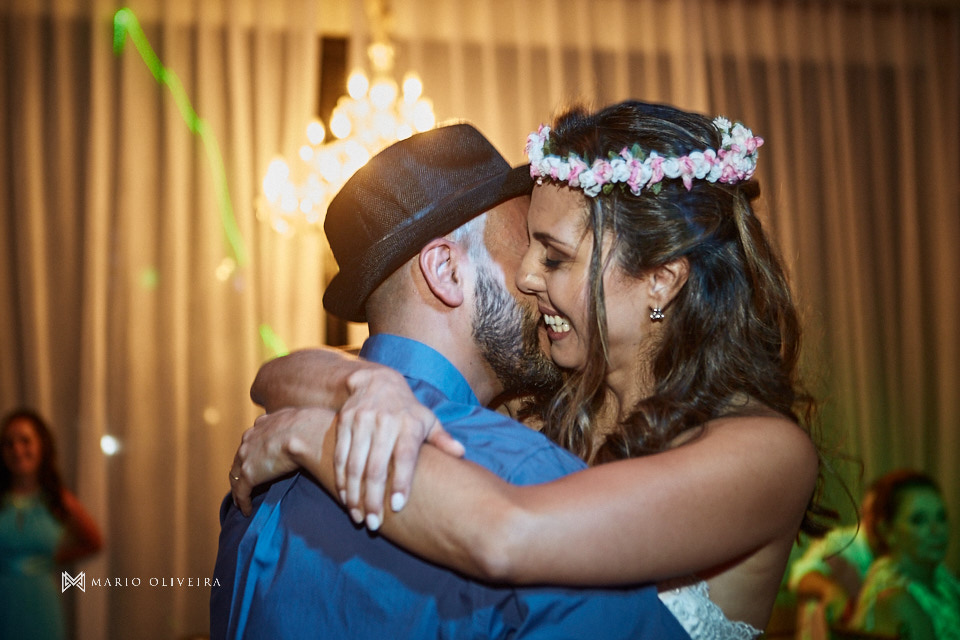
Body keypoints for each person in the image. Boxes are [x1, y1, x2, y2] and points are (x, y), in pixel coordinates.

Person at [232, 101, 828, 637]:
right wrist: (364, 384)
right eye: (529, 249)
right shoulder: (536, 409)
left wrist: (315, 436)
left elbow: (507, 534)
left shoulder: (764, 452)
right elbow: (279, 374)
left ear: (660, 280)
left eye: (555, 256)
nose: (525, 277)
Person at [0, 408, 103, 640]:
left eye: (25, 441)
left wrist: (48, 559)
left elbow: (94, 541)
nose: (17, 450)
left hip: (40, 603)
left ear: (41, 446)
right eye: (8, 443)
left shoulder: (57, 498)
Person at [847, 469, 958, 639]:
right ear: (888, 531)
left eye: (941, 517)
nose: (937, 530)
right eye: (919, 520)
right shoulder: (895, 598)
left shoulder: (939, 575)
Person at [788, 479, 880, 638]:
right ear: (863, 512)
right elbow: (801, 575)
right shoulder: (839, 542)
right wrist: (832, 591)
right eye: (874, 512)